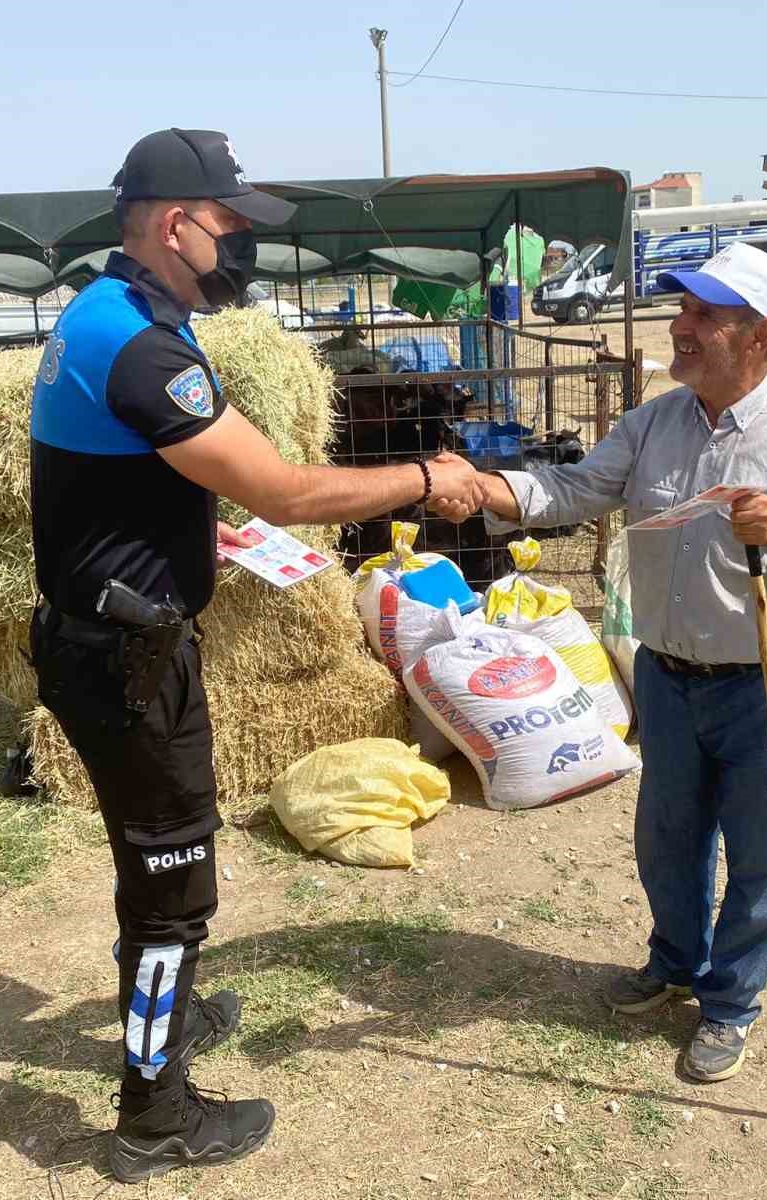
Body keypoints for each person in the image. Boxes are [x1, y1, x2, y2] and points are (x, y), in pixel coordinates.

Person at [26, 127, 483, 1182]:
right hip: (121, 661)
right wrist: (425, 478)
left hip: (110, 635)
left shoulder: (107, 313)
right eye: (231, 230)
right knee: (172, 882)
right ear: (176, 224)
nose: (240, 251)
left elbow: (126, 478)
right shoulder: (143, 348)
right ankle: (156, 1118)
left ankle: (167, 1022)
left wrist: (176, 531)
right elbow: (283, 488)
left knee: (160, 870)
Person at [436, 243, 767, 1083]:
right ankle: (676, 960)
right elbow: (574, 492)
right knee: (667, 838)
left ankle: (730, 1003)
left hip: (766, 680)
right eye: (682, 310)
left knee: (758, 854)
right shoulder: (653, 423)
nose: (680, 328)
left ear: (757, 335)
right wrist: (489, 488)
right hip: (669, 678)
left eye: (702, 316)